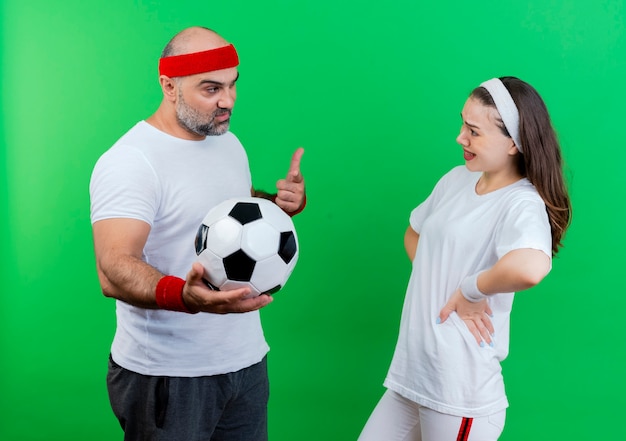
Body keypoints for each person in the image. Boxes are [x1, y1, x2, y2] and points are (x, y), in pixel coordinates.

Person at [89, 26, 306, 441]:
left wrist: (278, 206)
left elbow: (227, 218)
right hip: (170, 375)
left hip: (244, 362)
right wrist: (184, 297)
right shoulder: (131, 161)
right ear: (169, 86)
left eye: (232, 86)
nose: (227, 101)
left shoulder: (226, 142)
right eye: (211, 89)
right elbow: (113, 267)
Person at [358, 77, 571, 441]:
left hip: (457, 395)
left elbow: (532, 267)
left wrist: (471, 290)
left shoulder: (520, 203)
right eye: (463, 124)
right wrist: (439, 280)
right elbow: (414, 233)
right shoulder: (456, 180)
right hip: (410, 380)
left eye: (474, 131)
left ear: (514, 144)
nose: (460, 137)